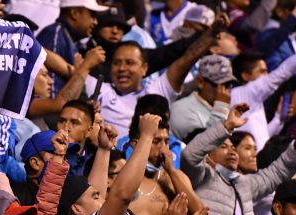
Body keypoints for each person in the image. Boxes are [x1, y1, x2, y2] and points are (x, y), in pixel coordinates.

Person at [85, 17, 226, 138]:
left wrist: (210, 35)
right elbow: (65, 93)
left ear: (144, 68)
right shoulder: (99, 90)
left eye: (130, 63)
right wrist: (83, 67)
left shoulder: (157, 91)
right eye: (117, 63)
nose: (122, 69)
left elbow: (185, 61)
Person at [230, 41, 296, 150]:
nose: (267, 76)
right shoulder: (245, 91)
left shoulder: (253, 100)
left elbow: (264, 138)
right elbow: (281, 73)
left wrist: (278, 118)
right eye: (262, 71)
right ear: (246, 76)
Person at [36, 0, 108, 96]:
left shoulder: (69, 38)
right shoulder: (55, 33)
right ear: (74, 13)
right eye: (92, 15)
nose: (95, 22)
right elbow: (49, 94)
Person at [170, 55, 236, 141]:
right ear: (200, 82)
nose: (224, 91)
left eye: (228, 85)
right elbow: (204, 146)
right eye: (218, 85)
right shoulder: (180, 109)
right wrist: (221, 109)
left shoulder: (228, 110)